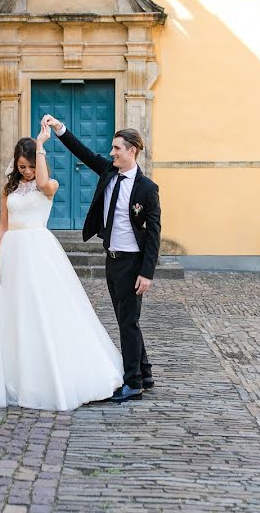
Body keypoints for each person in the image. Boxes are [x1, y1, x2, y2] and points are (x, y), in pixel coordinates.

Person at [0, 124, 124, 411]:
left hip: (39, 252)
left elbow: (43, 183)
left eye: (30, 166)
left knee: (44, 309)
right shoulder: (10, 189)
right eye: (22, 166)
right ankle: (12, 373)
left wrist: (42, 143)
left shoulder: (50, 185)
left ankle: (50, 374)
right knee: (12, 312)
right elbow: (3, 226)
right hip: (13, 254)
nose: (27, 171)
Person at [42, 115, 161, 402]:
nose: (111, 153)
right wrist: (60, 129)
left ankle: (133, 383)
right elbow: (83, 152)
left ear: (132, 150)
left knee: (128, 322)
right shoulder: (109, 172)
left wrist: (147, 273)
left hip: (133, 263)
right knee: (125, 318)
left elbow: (155, 232)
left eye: (117, 148)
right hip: (112, 258)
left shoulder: (147, 188)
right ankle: (145, 372)